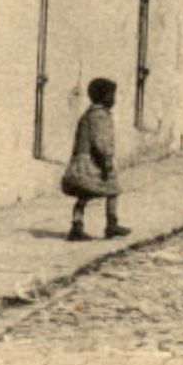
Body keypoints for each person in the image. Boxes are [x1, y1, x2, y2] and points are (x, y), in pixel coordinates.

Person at [62, 77, 130, 242]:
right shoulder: (100, 116)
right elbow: (100, 141)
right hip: (94, 162)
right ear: (103, 96)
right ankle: (111, 224)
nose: (113, 99)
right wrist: (107, 160)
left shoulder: (88, 114)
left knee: (84, 194)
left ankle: (77, 225)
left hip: (82, 162)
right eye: (111, 95)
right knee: (113, 189)